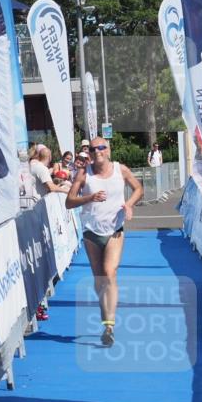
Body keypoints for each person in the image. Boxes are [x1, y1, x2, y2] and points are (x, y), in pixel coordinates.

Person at [65, 137, 143, 347]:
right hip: (91, 231)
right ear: (89, 152)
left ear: (108, 150)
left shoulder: (121, 170)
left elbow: (138, 188)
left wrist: (129, 205)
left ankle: (110, 325)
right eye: (93, 148)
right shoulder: (84, 173)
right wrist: (89, 198)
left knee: (110, 272)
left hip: (114, 230)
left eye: (101, 147)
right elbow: (69, 202)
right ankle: (105, 316)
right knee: (99, 279)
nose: (97, 151)